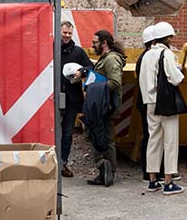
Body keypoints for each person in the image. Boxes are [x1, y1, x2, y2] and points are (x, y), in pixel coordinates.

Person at [138, 21, 184, 195]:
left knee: (153, 139)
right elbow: (175, 78)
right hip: (165, 102)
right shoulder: (167, 54)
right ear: (167, 37)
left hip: (149, 101)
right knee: (170, 141)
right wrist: (180, 70)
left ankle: (152, 180)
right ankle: (168, 182)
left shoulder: (147, 55)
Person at [84, 29, 126, 187]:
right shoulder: (105, 59)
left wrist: (94, 87)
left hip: (105, 107)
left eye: (95, 42)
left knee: (104, 138)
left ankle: (106, 168)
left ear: (104, 43)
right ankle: (104, 172)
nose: (92, 45)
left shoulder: (111, 59)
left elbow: (115, 82)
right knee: (98, 137)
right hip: (100, 105)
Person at [59, 21, 91, 177]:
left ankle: (63, 163)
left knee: (67, 132)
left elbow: (90, 67)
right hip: (51, 98)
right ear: (58, 32)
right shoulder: (49, 49)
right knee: (51, 132)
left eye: (69, 33)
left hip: (71, 99)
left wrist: (82, 72)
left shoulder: (78, 52)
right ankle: (51, 163)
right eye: (64, 32)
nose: (67, 36)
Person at [135, 25, 164, 183]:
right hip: (150, 101)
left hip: (145, 101)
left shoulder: (143, 57)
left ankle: (151, 171)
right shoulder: (150, 57)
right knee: (151, 137)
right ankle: (150, 171)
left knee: (150, 136)